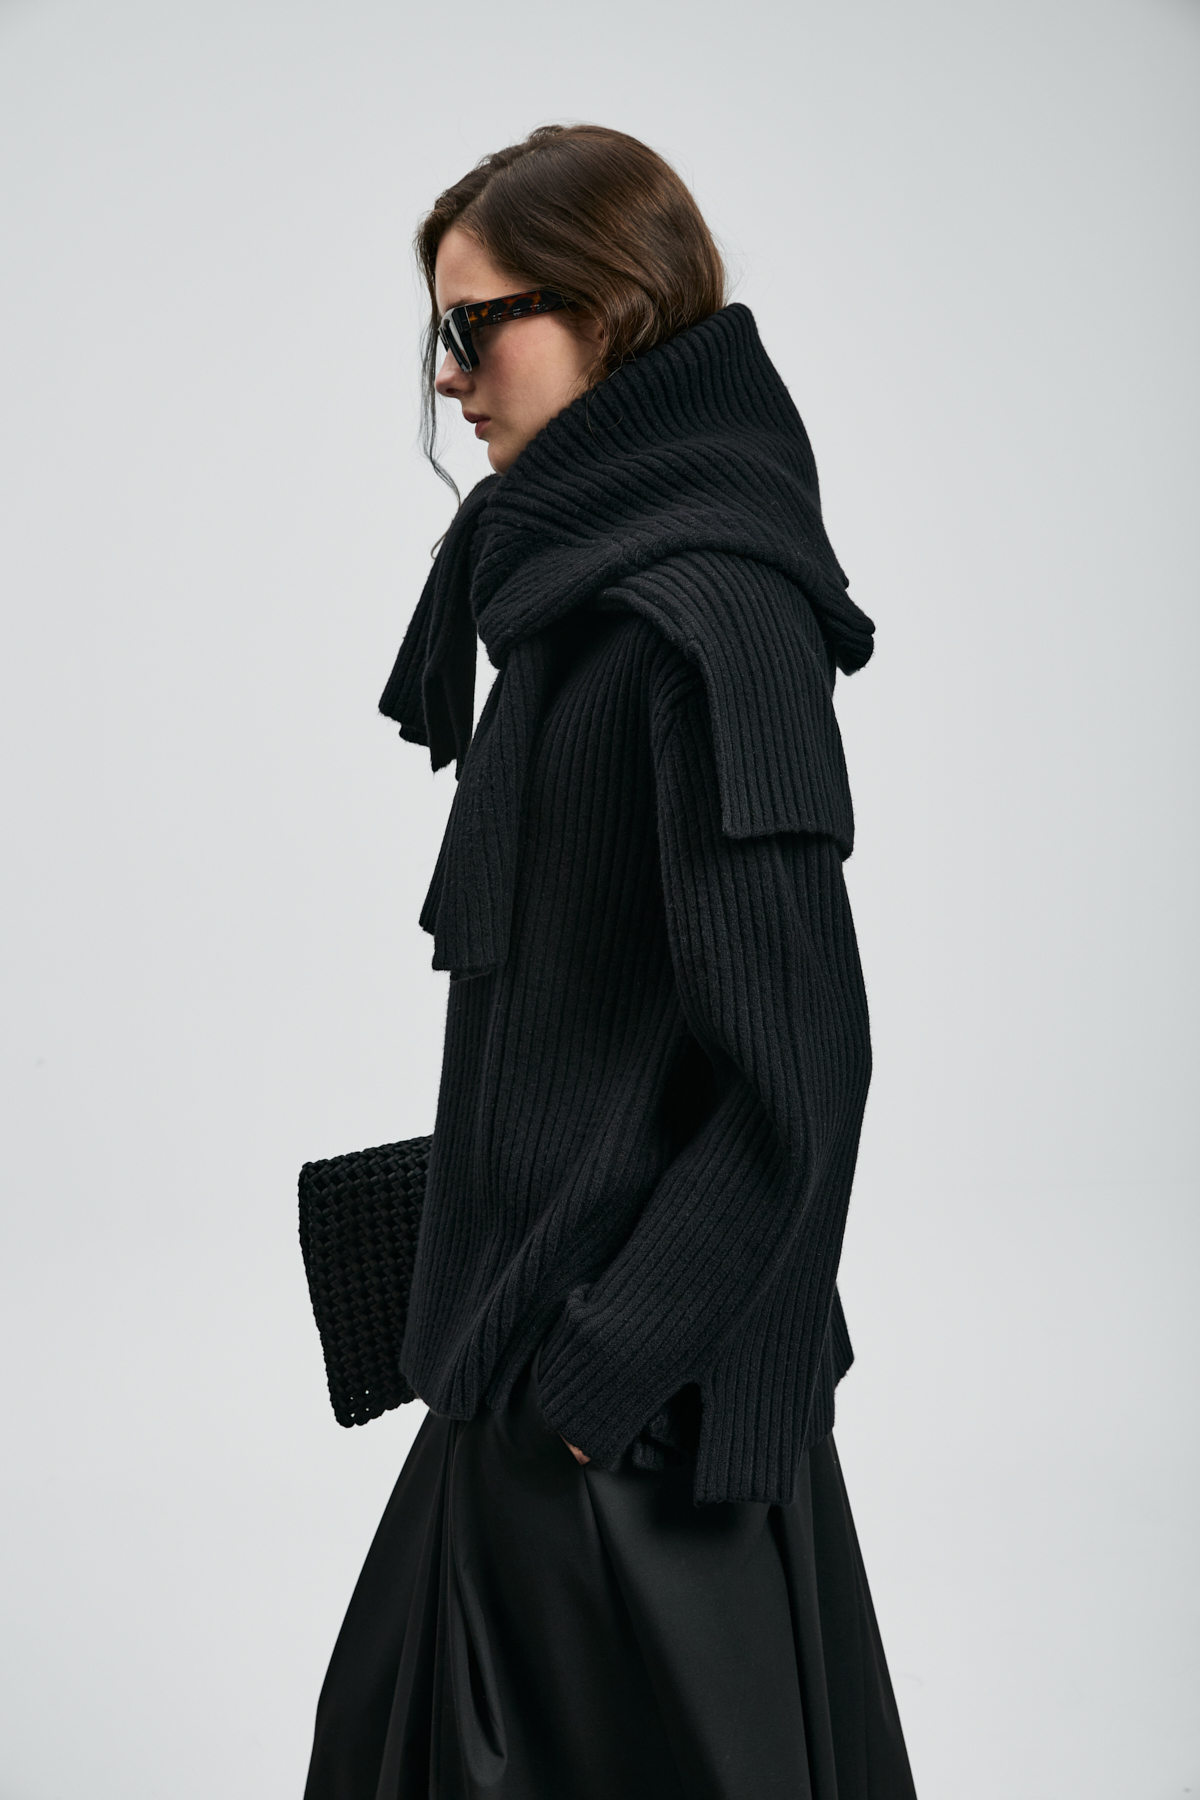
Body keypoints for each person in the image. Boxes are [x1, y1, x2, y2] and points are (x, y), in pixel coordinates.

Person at [303, 123, 918, 1800]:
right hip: (531, 1382)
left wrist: (599, 1377)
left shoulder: (710, 623)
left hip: (638, 1440)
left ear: (611, 311)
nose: (447, 378)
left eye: (474, 326)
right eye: (435, 333)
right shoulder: (573, 606)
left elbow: (800, 1073)